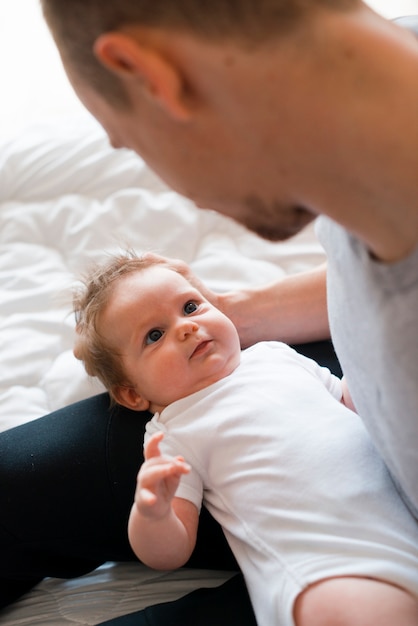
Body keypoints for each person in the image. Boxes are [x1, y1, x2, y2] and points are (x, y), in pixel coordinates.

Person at [0, 0, 416, 621]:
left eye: (127, 141)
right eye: (155, 334)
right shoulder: (363, 100)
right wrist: (238, 314)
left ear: (149, 74)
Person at [72, 251, 418, 626]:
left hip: (402, 526)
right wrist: (152, 512)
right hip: (325, 567)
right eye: (154, 336)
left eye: (190, 306)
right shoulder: (176, 428)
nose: (186, 327)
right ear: (132, 394)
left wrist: (371, 361)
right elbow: (170, 553)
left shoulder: (275, 354)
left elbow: (352, 404)